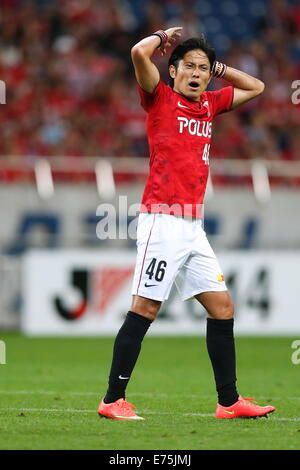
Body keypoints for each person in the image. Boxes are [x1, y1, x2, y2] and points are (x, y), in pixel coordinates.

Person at [98, 27, 276, 420]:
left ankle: (228, 402)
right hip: (162, 223)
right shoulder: (158, 97)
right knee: (145, 308)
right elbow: (137, 53)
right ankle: (112, 399)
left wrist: (221, 68)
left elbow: (257, 86)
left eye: (203, 68)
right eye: (189, 67)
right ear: (173, 71)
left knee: (223, 307)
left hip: (193, 228)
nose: (197, 74)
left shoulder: (209, 105)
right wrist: (161, 38)